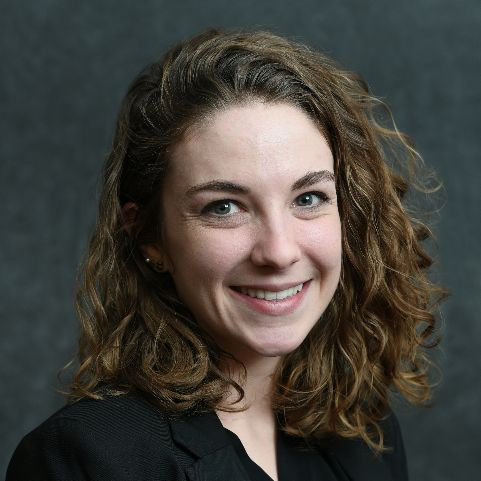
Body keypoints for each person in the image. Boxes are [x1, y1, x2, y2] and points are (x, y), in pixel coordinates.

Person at [7, 28, 445, 481]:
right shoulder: (87, 459)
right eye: (224, 207)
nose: (278, 251)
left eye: (309, 198)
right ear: (147, 236)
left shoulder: (363, 430)